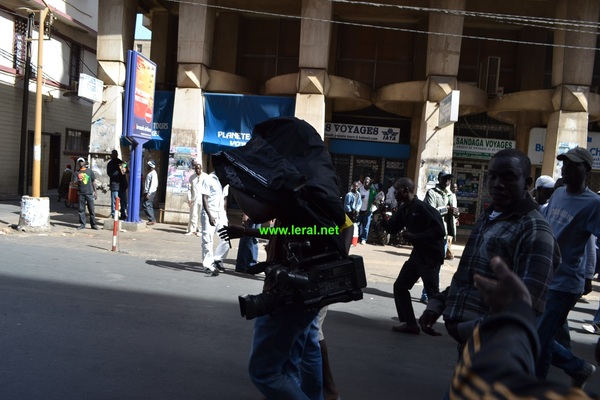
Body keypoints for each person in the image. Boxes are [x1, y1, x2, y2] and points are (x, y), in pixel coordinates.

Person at [418, 149, 560, 354]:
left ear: (527, 183)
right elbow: (468, 276)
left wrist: (466, 330)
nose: (497, 183)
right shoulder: (489, 216)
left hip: (497, 350)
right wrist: (437, 305)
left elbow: (528, 305)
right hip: (471, 346)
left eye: (508, 177)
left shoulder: (535, 230)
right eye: (492, 176)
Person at [452, 256, 600, 400]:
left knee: (542, 339)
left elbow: (483, 386)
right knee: (544, 337)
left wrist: (516, 312)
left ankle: (575, 366)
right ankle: (577, 366)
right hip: (552, 288)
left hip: (561, 286)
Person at [536, 147, 600, 387]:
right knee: (552, 332)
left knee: (539, 336)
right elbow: (547, 227)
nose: (567, 168)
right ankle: (575, 369)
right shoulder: (559, 194)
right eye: (565, 164)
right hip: (544, 275)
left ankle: (573, 369)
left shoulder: (594, 203)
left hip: (565, 282)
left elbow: (593, 242)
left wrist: (588, 275)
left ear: (587, 170)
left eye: (575, 165)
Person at [383, 177, 445, 334]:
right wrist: (383, 217)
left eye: (396, 190)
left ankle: (447, 323)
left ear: (405, 191)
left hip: (430, 256)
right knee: (400, 286)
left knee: (432, 293)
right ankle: (410, 323)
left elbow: (439, 231)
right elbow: (392, 228)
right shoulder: (404, 209)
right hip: (417, 256)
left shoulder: (422, 207)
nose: (394, 193)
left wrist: (415, 237)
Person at [200, 171, 229, 276]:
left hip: (221, 214)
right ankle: (208, 265)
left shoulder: (226, 180)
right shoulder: (208, 179)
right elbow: (204, 198)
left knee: (226, 238)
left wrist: (225, 215)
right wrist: (209, 216)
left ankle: (218, 259)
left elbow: (225, 199)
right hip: (210, 212)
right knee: (208, 239)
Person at [74, 157, 100, 230]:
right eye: (79, 162)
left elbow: (93, 181)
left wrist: (96, 192)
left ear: (84, 162)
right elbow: (74, 183)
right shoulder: (76, 172)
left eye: (82, 161)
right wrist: (78, 180)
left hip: (89, 193)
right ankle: (82, 224)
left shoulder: (89, 171)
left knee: (91, 209)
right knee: (81, 210)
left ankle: (93, 224)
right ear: (78, 163)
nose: (81, 163)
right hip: (81, 193)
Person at [186, 162, 205, 236]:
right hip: (194, 199)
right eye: (196, 169)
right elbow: (189, 189)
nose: (198, 170)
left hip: (202, 199)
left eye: (199, 169)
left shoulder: (205, 177)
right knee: (193, 214)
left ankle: (199, 230)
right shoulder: (192, 177)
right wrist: (189, 199)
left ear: (201, 169)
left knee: (201, 215)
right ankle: (192, 230)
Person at [357, 176, 376, 245]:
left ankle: (363, 239)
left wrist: (375, 202)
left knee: (366, 226)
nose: (366, 183)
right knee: (357, 225)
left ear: (370, 183)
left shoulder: (372, 190)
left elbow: (375, 198)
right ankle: (357, 238)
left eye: (367, 182)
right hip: (359, 210)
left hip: (367, 211)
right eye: (365, 181)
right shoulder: (360, 189)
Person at [107, 150, 123, 218]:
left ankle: (123, 214)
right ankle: (114, 214)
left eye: (115, 154)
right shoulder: (110, 163)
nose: (114, 155)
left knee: (123, 201)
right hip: (114, 184)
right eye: (113, 154)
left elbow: (125, 171)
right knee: (114, 200)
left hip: (122, 184)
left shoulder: (121, 162)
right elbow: (109, 173)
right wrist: (117, 173)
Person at [142, 160, 158, 226]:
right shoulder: (151, 173)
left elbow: (153, 184)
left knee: (146, 205)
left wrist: (149, 193)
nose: (146, 167)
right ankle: (152, 219)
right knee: (148, 205)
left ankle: (152, 219)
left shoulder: (153, 173)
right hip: (148, 191)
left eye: (148, 166)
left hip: (150, 192)